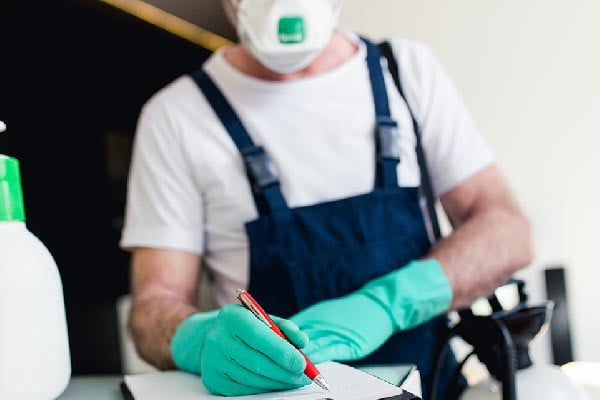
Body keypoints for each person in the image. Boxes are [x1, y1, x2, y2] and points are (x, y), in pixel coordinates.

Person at [120, 1, 533, 399]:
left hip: (428, 386)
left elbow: (507, 231)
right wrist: (200, 339)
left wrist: (387, 304)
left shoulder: (404, 72)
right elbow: (152, 308)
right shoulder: (176, 116)